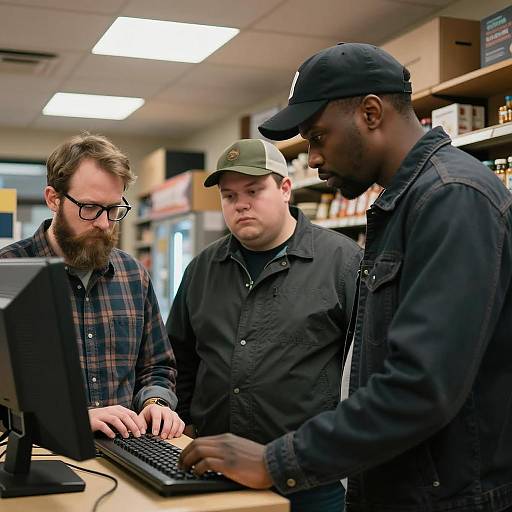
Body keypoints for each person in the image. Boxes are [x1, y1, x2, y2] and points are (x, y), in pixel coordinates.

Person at [178, 43, 512, 511]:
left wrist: (278, 460)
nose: (312, 158)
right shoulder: (405, 205)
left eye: (317, 137)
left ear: (370, 113)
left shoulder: (451, 198)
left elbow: (422, 385)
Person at [166, 138, 361, 511]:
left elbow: (363, 370)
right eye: (229, 195)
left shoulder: (343, 262)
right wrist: (184, 422)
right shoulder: (202, 269)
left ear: (285, 189)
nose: (241, 204)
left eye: (254, 190)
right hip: (212, 473)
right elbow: (181, 358)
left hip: (309, 479)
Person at [0, 133, 184, 441]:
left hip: (125, 451)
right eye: (89, 207)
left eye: (113, 209)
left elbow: (157, 366)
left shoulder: (133, 276)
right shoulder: (8, 272)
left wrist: (156, 402)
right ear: (53, 199)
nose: (103, 223)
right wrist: (71, 418)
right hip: (40, 451)